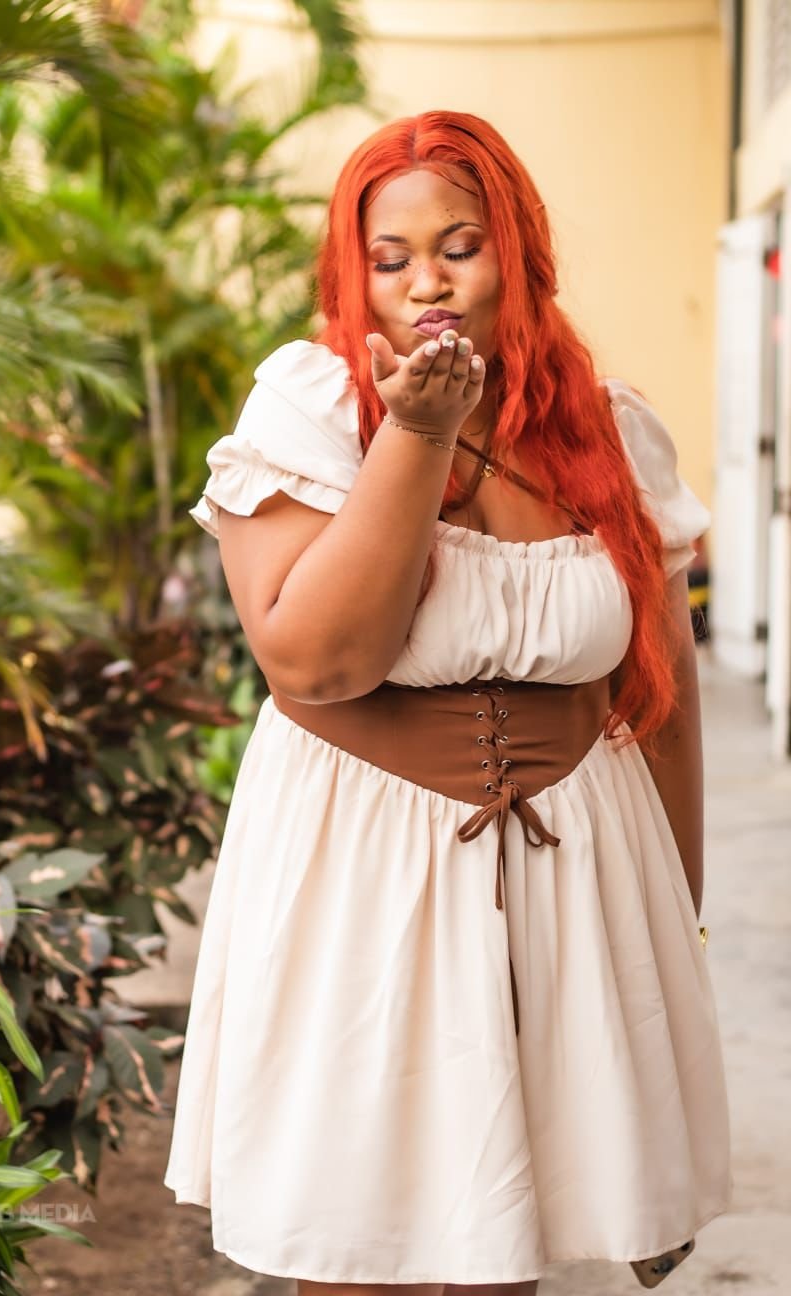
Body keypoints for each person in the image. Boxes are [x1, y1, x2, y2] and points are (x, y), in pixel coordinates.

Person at [164, 110, 732, 1296]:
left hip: (574, 876)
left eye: (460, 244)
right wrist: (417, 436)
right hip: (357, 877)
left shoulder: (610, 433)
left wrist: (671, 929)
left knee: (503, 1255)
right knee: (355, 1248)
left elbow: (663, 704)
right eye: (391, 256)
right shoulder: (311, 415)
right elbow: (319, 663)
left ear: (516, 248)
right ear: (354, 272)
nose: (427, 280)